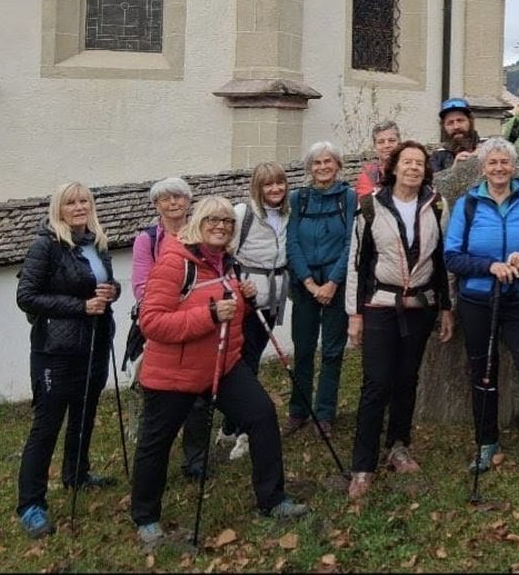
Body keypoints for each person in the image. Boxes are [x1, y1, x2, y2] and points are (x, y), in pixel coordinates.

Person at [131, 196, 307, 547]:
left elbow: (230, 314)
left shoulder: (226, 262)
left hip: (222, 365)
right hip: (174, 374)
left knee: (261, 415)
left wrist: (244, 297)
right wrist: (210, 315)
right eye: (213, 219)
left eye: (227, 221)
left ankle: (272, 499)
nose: (221, 225)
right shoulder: (174, 262)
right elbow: (152, 322)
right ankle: (146, 518)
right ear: (198, 222)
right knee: (156, 442)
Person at [345, 141, 456, 499]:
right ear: (394, 167)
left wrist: (445, 307)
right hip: (380, 303)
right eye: (407, 162)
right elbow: (358, 264)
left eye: (419, 163)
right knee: (376, 383)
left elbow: (442, 262)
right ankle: (363, 464)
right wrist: (355, 314)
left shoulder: (437, 205)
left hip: (420, 304)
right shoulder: (370, 207)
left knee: (407, 379)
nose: (413, 168)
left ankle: (398, 446)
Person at [445, 138, 519, 482]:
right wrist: (489, 266)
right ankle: (486, 442)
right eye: (492, 163)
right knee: (483, 374)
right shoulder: (467, 206)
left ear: (514, 166)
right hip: (478, 301)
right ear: (483, 168)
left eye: (504, 163)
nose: (498, 168)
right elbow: (451, 256)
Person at [15, 183, 120, 539]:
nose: (79, 207)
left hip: (94, 341)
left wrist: (112, 291)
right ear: (59, 208)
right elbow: (26, 297)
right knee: (47, 424)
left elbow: (103, 283)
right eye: (71, 202)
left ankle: (77, 474)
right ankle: (31, 504)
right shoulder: (45, 244)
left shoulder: (96, 242)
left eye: (84, 201)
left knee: (85, 411)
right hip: (54, 349)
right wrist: (81, 307)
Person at [130, 177, 210, 479]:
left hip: (199, 323)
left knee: (200, 396)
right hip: (162, 325)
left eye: (179, 197)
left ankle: (196, 460)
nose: (173, 203)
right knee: (162, 397)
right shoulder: (147, 240)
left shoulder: (201, 234)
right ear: (156, 205)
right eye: (166, 199)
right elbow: (141, 285)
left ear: (189, 202)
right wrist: (164, 315)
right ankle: (153, 462)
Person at [216, 162, 292, 461]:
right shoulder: (242, 214)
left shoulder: (287, 214)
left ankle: (233, 425)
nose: (275, 189)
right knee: (241, 361)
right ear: (257, 188)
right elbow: (224, 254)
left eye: (279, 183)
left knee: (251, 359)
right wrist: (237, 286)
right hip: (244, 300)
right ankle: (239, 427)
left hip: (272, 299)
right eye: (268, 185)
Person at [285, 142, 357, 437]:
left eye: (329, 161)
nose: (323, 167)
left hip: (335, 285)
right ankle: (297, 411)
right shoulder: (298, 199)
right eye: (317, 163)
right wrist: (309, 282)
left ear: (338, 165)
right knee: (302, 349)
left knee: (331, 351)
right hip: (305, 286)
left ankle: (324, 414)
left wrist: (332, 282)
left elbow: (351, 243)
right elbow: (292, 243)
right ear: (309, 168)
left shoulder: (349, 198)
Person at [430, 97, 482, 173]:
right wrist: (453, 171)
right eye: (450, 123)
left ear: (470, 121)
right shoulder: (438, 157)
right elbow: (434, 183)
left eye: (460, 120)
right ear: (443, 127)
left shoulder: (488, 146)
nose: (456, 127)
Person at [355, 121, 401, 202]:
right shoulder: (368, 176)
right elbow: (367, 208)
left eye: (391, 140)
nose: (387, 145)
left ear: (399, 143)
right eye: (381, 142)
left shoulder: (410, 170)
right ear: (375, 146)